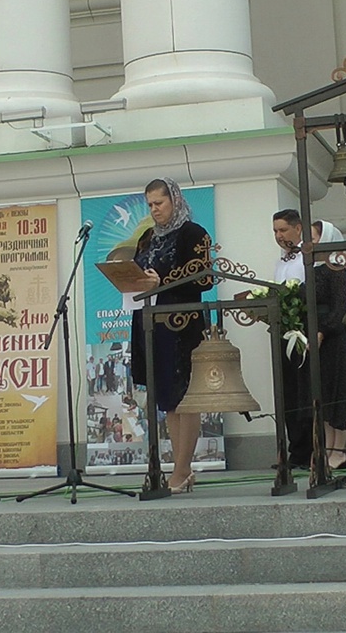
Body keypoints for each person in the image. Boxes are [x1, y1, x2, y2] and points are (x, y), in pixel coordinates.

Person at [130, 177, 213, 493]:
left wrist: (161, 279)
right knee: (166, 399)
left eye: (159, 204)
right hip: (151, 321)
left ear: (174, 201)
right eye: (150, 205)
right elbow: (139, 270)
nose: (154, 210)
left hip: (181, 323)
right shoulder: (147, 237)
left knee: (184, 396)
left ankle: (181, 470)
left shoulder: (193, 233)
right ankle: (179, 468)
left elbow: (205, 277)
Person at [312, 220, 346, 472]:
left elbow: (340, 309)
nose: (311, 242)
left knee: (338, 394)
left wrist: (322, 330)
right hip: (318, 341)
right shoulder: (315, 268)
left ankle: (339, 451)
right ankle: (328, 449)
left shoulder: (337, 269)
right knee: (324, 396)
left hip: (333, 339)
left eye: (315, 237)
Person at [271, 209, 312, 470]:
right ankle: (294, 451)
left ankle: (310, 450)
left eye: (283, 230)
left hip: (303, 331)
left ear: (298, 229)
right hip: (283, 331)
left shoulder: (308, 259)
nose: (278, 235)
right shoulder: (281, 262)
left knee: (304, 390)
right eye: (275, 231)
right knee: (288, 393)